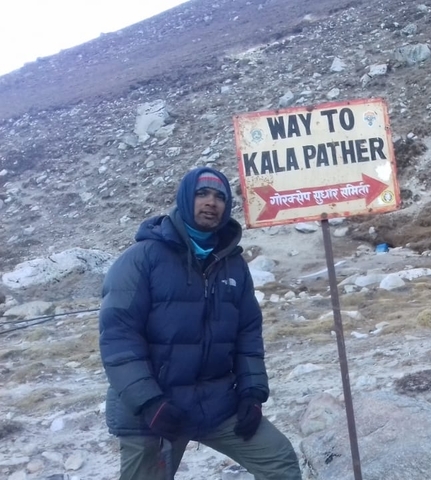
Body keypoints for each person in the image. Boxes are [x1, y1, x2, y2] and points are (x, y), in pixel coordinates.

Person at [99, 167, 302, 480]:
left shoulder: (233, 264)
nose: (211, 202)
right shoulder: (142, 257)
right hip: (154, 411)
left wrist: (251, 394)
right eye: (202, 193)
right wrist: (149, 402)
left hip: (215, 403)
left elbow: (248, 334)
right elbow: (118, 338)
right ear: (184, 198)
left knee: (279, 461)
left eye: (220, 196)